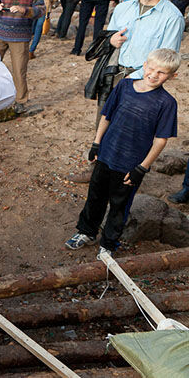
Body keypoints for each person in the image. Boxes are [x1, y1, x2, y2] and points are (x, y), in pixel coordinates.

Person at [65, 48, 179, 255]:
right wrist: (96, 143)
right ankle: (87, 231)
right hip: (107, 153)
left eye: (161, 73)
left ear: (172, 76)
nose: (154, 75)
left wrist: (142, 168)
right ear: (144, 65)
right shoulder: (124, 86)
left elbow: (161, 140)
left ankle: (108, 244)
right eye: (151, 68)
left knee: (119, 205)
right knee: (95, 196)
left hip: (130, 164)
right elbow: (106, 115)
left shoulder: (167, 103)